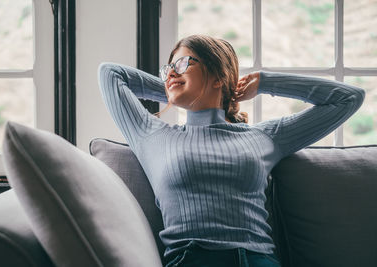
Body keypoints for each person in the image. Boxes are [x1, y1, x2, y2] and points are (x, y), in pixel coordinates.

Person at [97, 34, 365, 267]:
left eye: (182, 63)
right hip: (193, 260)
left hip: (259, 260)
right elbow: (110, 73)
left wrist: (266, 83)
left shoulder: (264, 137)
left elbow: (348, 98)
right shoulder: (153, 135)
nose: (170, 72)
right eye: (167, 67)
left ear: (218, 77)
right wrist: (175, 89)